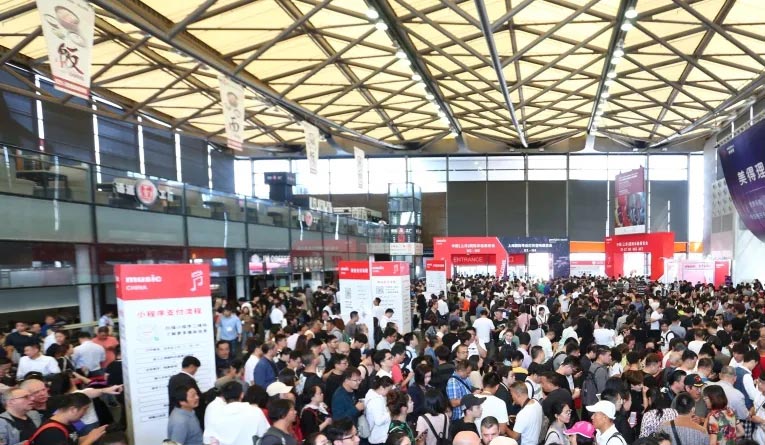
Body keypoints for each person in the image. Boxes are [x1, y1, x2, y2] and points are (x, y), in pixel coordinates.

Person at [29, 393, 107, 445]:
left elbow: (72, 441)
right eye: (85, 409)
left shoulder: (68, 423)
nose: (85, 413)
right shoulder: (52, 432)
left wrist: (91, 435)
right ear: (73, 409)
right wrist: (90, 439)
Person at [167, 356, 205, 426]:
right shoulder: (189, 380)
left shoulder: (172, 379)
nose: (196, 371)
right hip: (188, 416)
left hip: (174, 415)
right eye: (196, 369)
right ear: (191, 366)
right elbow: (198, 400)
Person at [507, 381, 544, 445]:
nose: (512, 397)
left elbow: (514, 437)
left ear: (518, 395)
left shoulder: (523, 414)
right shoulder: (536, 403)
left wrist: (505, 428)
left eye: (512, 394)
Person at [365, 376, 394, 445]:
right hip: (378, 437)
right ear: (381, 387)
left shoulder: (373, 395)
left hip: (376, 434)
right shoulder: (376, 400)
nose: (389, 392)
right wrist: (390, 412)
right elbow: (379, 421)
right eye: (388, 389)